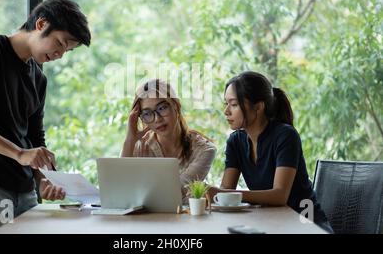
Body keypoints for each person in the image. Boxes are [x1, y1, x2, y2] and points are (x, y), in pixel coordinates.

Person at [0, 0, 91, 233]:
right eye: (60, 43)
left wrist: (43, 179)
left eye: (67, 50)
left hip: (25, 192)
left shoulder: (39, 79)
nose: (60, 54)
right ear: (41, 24)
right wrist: (20, 153)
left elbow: (35, 137)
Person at [208, 71, 333, 233]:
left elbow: (279, 196)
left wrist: (223, 194)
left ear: (258, 107)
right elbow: (226, 191)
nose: (226, 111)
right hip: (272, 223)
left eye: (234, 104)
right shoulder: (235, 141)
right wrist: (213, 195)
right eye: (226, 103)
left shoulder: (285, 135)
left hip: (307, 224)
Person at [122, 79, 216, 201]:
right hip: (144, 219)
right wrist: (129, 140)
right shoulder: (138, 146)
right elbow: (121, 189)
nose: (157, 119)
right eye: (147, 114)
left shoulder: (203, 150)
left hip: (186, 218)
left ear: (175, 106)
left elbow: (177, 191)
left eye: (161, 108)